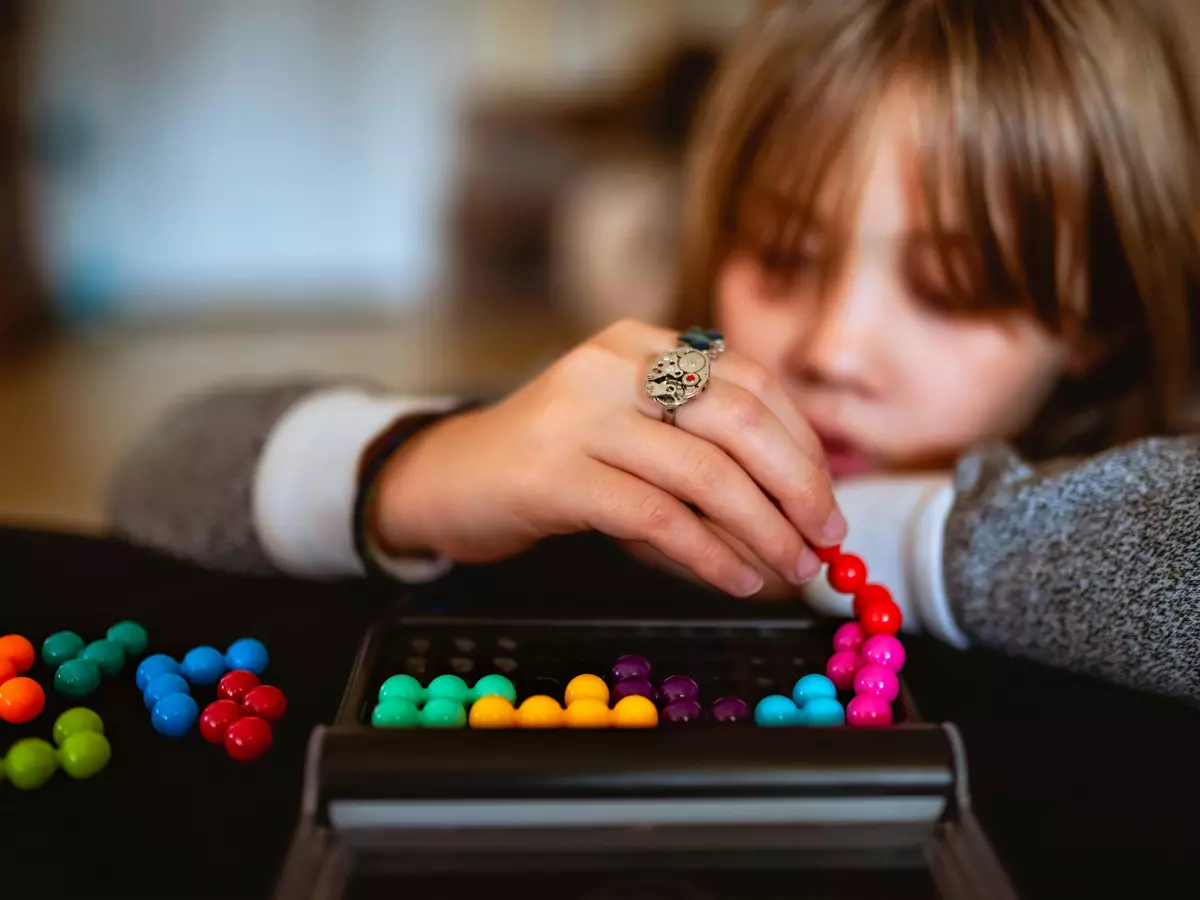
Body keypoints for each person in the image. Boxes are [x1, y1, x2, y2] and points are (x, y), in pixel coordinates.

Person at [109, 0, 1200, 704]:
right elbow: (162, 467)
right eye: (779, 255)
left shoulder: (1136, 471)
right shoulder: (656, 410)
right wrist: (430, 461)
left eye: (955, 287)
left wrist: (850, 534)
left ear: (1096, 317)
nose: (832, 349)